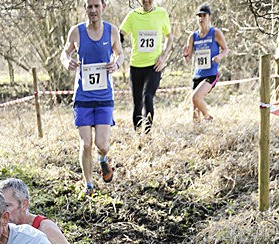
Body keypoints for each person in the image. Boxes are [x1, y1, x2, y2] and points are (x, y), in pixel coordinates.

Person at [61, 0, 123, 195]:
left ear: (103, 7)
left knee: (102, 145)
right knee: (86, 143)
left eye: (96, 6)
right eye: (89, 6)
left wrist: (117, 64)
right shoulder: (76, 31)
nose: (93, 10)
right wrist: (67, 61)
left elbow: (120, 54)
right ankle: (89, 184)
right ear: (85, 8)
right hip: (83, 97)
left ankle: (103, 159)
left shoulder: (112, 31)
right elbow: (65, 52)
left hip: (104, 97)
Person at [120, 0, 173, 133]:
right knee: (137, 103)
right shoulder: (132, 15)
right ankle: (137, 134)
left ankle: (147, 133)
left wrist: (163, 56)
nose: (146, 1)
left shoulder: (161, 13)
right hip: (136, 66)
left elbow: (169, 37)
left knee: (147, 96)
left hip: (154, 66)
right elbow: (120, 35)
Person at [182, 4, 228, 122]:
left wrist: (219, 56)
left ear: (209, 17)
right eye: (199, 16)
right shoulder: (193, 36)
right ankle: (197, 134)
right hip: (198, 74)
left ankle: (208, 117)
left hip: (211, 73)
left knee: (195, 97)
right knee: (195, 113)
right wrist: (185, 55)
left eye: (204, 15)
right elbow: (188, 59)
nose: (201, 18)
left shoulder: (215, 33)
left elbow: (226, 49)